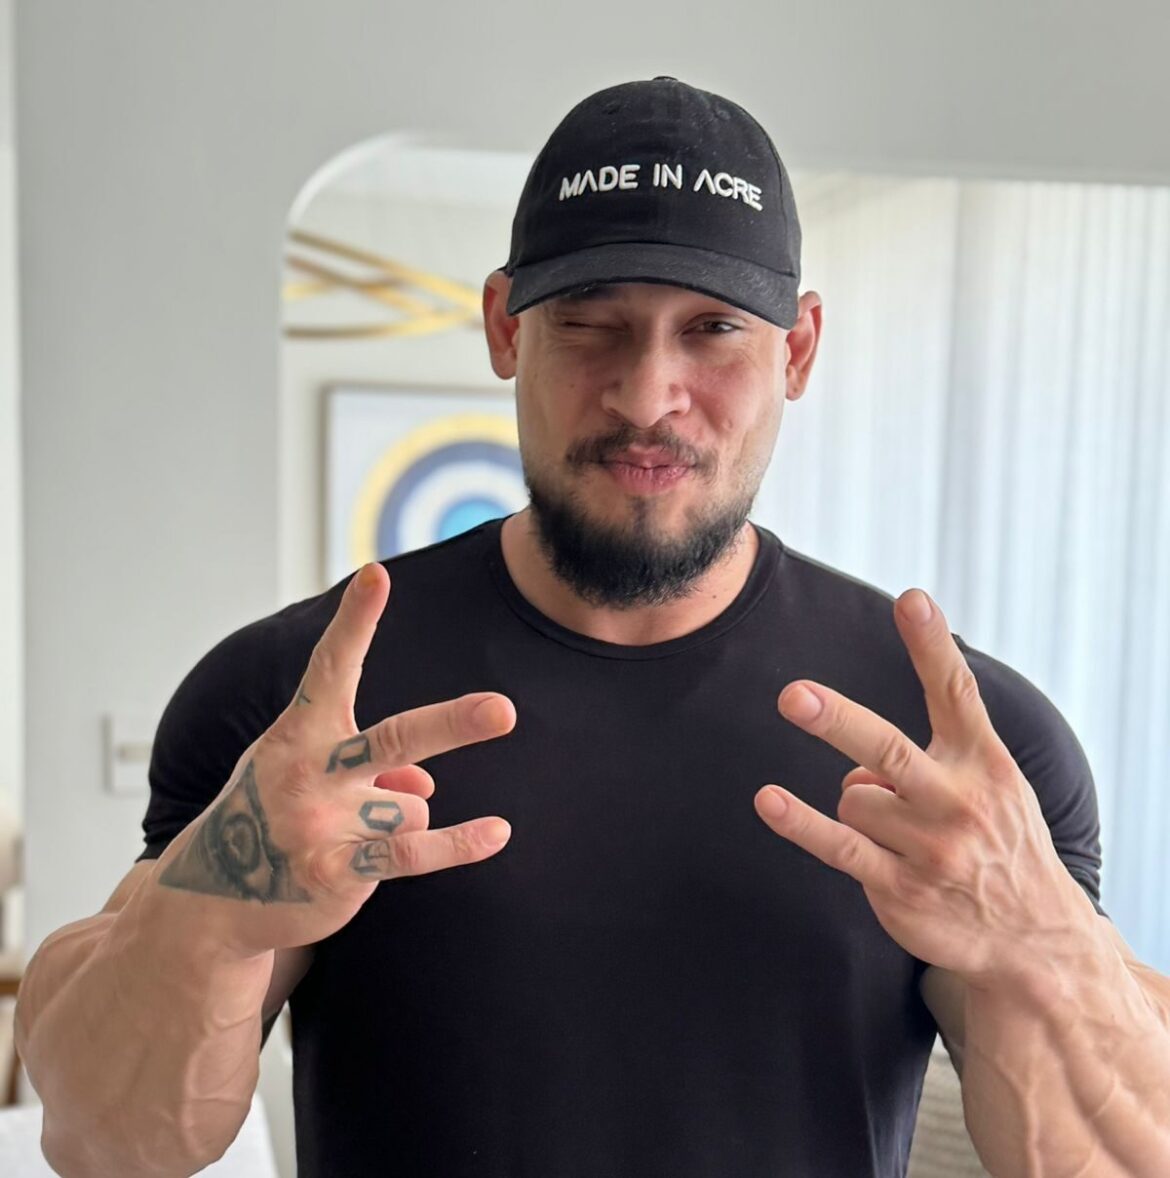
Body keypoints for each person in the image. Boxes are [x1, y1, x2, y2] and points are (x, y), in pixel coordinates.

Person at [16, 77, 1170, 1177]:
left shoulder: (961, 744)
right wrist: (212, 907)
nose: (647, 393)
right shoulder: (295, 702)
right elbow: (106, 1142)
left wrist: (1041, 939)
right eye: (589, 323)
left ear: (798, 349)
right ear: (504, 326)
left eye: (713, 327)